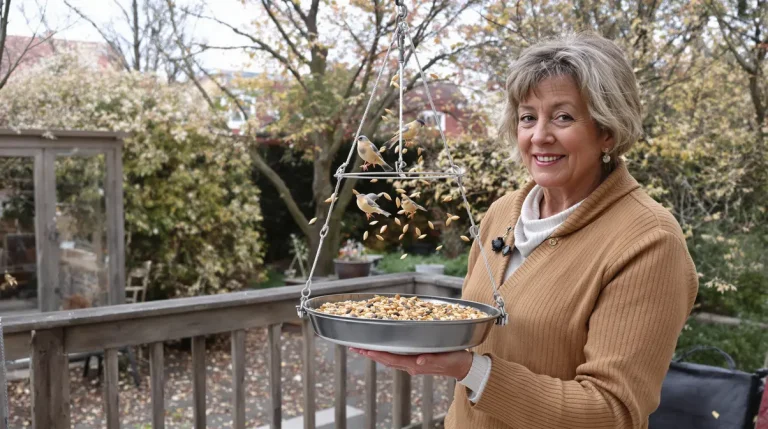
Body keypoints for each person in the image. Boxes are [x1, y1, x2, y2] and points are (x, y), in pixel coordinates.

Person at [350, 32, 699, 429]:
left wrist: (471, 370)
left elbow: (611, 411)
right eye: (528, 117)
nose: (539, 135)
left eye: (563, 116)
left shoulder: (648, 241)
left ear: (607, 130)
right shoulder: (502, 214)